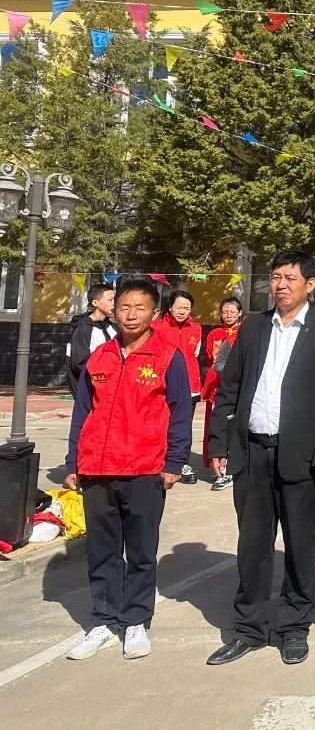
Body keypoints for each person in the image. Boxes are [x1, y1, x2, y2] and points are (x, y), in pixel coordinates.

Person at [206, 251, 315, 667]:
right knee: (252, 545)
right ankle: (249, 629)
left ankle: (293, 627)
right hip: (251, 452)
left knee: (301, 546)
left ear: (311, 284)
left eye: (290, 277)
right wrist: (219, 443)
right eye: (275, 277)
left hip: (304, 458)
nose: (281, 284)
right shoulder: (253, 327)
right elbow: (230, 388)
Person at [63, 278, 193, 661]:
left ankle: (136, 619)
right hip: (97, 469)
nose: (131, 314)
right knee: (101, 550)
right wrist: (74, 461)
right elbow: (82, 412)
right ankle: (104, 619)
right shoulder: (99, 357)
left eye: (140, 308)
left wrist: (175, 461)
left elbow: (181, 412)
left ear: (155, 313)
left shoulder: (167, 357)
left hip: (145, 468)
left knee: (141, 550)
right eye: (124, 307)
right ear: (113, 311)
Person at [153, 289, 203, 485]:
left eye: (187, 308)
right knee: (162, 423)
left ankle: (182, 463)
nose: (182, 311)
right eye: (179, 307)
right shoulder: (156, 327)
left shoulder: (196, 328)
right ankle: (159, 460)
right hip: (162, 384)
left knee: (184, 425)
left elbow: (195, 353)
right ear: (170, 307)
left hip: (190, 385)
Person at [202, 297, 244, 491]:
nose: (228, 316)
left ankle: (231, 468)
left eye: (232, 312)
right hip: (217, 384)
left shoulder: (245, 332)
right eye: (225, 312)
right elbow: (212, 360)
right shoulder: (215, 334)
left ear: (240, 313)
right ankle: (216, 463)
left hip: (238, 388)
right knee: (216, 425)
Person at [68, 282, 117, 391]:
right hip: (94, 389)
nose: (114, 303)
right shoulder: (83, 330)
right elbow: (79, 364)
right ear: (95, 303)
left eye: (115, 299)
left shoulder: (114, 328)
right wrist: (103, 383)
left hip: (115, 388)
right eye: (110, 300)